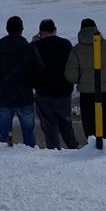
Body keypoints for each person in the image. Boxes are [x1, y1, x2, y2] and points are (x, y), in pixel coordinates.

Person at [65, 17, 106, 152]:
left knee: (91, 130)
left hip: (87, 97)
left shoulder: (77, 50)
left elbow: (71, 76)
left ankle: (94, 155)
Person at [0, 15, 43, 147]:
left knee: (4, 136)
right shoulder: (29, 49)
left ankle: (5, 157)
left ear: (7, 29)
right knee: (28, 135)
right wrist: (30, 85)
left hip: (4, 97)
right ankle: (29, 156)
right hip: (25, 97)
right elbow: (39, 70)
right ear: (22, 29)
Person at [31, 19, 77, 149]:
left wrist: (32, 43)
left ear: (40, 32)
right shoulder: (66, 44)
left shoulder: (37, 46)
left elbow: (28, 60)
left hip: (44, 92)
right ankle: (73, 149)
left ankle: (54, 151)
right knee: (66, 124)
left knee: (49, 126)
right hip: (64, 91)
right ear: (55, 30)